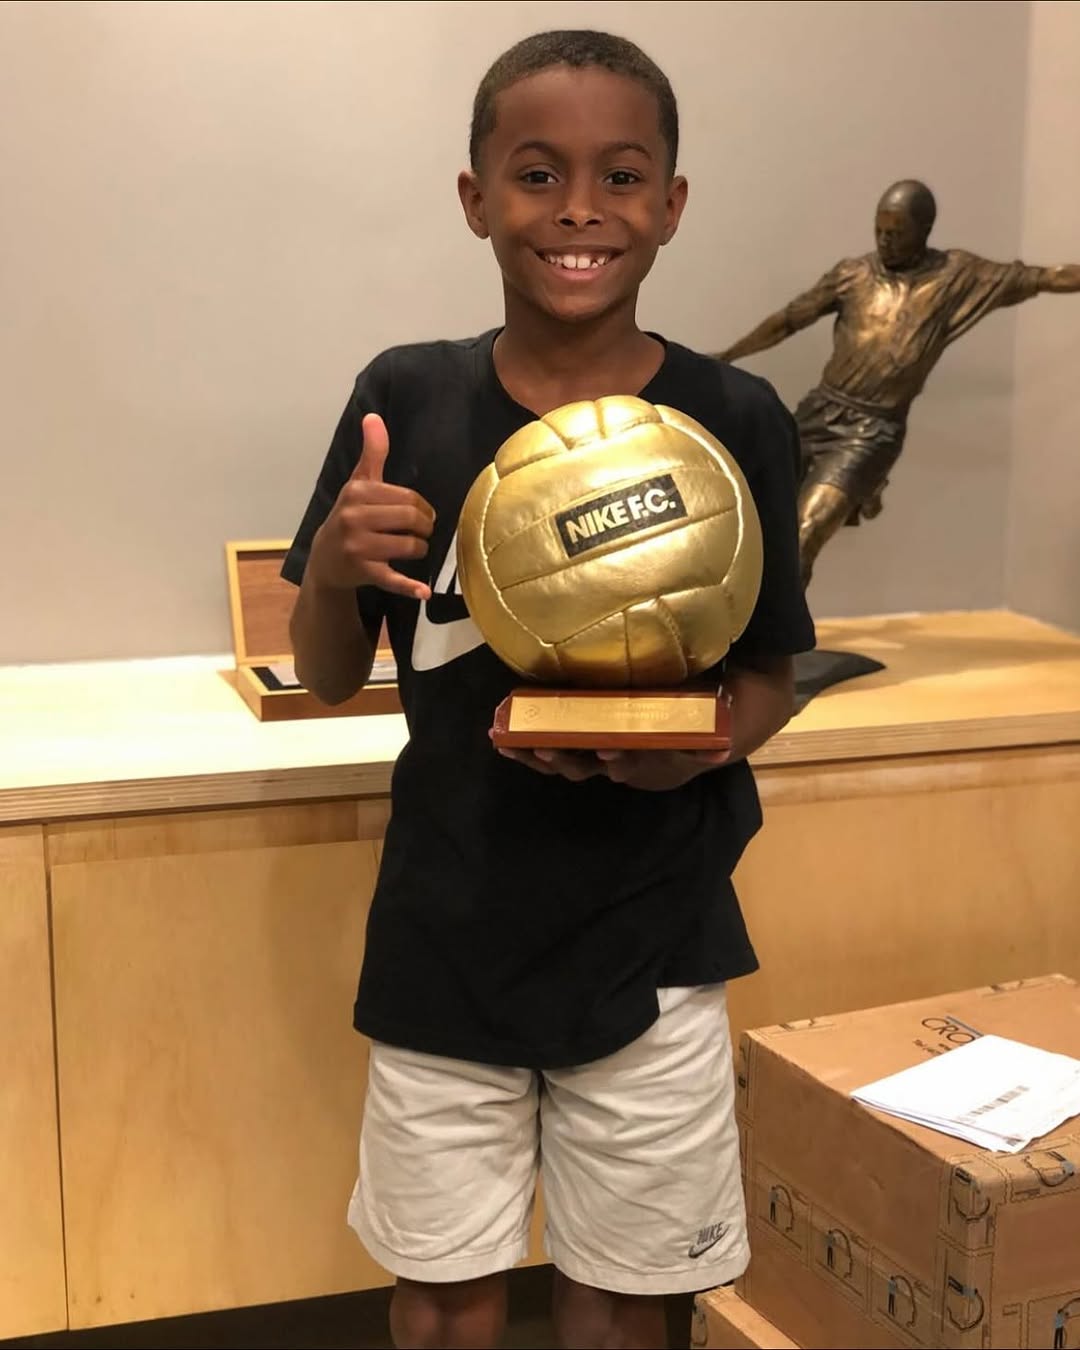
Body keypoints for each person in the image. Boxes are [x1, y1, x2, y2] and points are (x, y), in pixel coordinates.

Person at [283, 29, 814, 1350]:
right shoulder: (406, 396)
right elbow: (328, 672)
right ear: (477, 200)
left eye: (620, 176)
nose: (580, 208)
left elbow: (770, 672)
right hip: (448, 923)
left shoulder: (736, 416)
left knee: (625, 1298)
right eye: (536, 174)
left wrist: (696, 749)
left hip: (657, 933)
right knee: (442, 1298)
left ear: (670, 205)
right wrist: (337, 565)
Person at [715, 179, 1080, 585]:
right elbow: (787, 320)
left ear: (924, 231)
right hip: (817, 412)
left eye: (897, 233)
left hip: (871, 431)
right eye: (879, 230)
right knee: (750, 513)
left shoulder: (957, 276)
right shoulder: (852, 274)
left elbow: (1045, 277)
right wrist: (729, 355)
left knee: (806, 531)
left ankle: (786, 628)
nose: (885, 241)